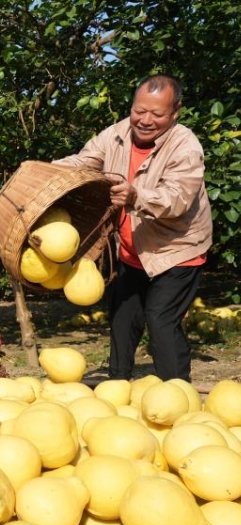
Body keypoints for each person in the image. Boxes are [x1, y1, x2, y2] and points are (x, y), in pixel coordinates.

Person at [53, 74, 212, 381]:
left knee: (160, 319)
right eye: (140, 110)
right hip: (131, 250)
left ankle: (177, 392)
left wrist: (136, 196)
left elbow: (176, 199)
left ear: (175, 111)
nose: (145, 120)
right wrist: (45, 169)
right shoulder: (117, 133)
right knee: (123, 318)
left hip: (175, 251)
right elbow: (85, 161)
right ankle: (118, 386)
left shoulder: (185, 146)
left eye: (157, 114)